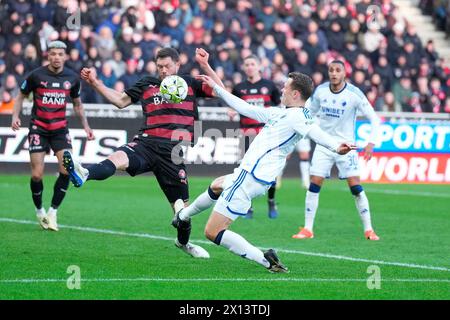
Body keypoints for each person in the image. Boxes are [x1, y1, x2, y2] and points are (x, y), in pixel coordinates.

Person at [172, 72, 355, 272]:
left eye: (285, 87)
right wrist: (217, 89)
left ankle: (266, 261)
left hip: (249, 176)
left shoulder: (298, 117)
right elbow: (246, 107)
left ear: (295, 94)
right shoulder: (282, 113)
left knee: (212, 231)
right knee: (217, 184)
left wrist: (336, 147)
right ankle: (183, 216)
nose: (282, 89)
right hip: (255, 177)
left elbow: (315, 133)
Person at [63, 47, 223, 258]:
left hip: (173, 154)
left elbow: (222, 92)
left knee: (183, 215)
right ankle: (84, 173)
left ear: (177, 65)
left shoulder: (190, 83)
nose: (163, 71)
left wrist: (205, 66)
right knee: (117, 158)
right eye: (159, 67)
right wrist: (95, 82)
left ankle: (183, 243)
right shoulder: (147, 83)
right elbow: (120, 101)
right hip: (145, 144)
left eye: (167, 66)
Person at [292, 60, 381, 241]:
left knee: (355, 187)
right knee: (314, 184)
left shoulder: (354, 94)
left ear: (344, 73)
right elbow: (308, 111)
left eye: (337, 70)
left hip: (347, 147)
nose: (333, 73)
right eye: (331, 70)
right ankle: (308, 229)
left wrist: (372, 142)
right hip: (324, 144)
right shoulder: (321, 91)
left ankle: (369, 229)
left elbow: (374, 118)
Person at [11, 40, 94, 231]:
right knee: (37, 175)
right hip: (38, 128)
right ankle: (39, 211)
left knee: (66, 170)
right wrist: (15, 116)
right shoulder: (36, 75)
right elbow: (21, 96)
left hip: (60, 131)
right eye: (53, 53)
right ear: (48, 55)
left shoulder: (72, 78)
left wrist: (86, 127)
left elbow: (77, 105)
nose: (56, 57)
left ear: (65, 56)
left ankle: (53, 212)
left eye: (60, 54)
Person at [229, 54, 281, 219]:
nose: (249, 67)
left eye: (252, 63)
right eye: (247, 64)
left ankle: (271, 201)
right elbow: (233, 106)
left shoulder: (269, 86)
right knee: (247, 170)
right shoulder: (238, 88)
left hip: (266, 135)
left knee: (270, 170)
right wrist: (232, 111)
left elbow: (279, 107)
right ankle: (248, 206)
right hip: (247, 134)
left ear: (259, 66)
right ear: (244, 68)